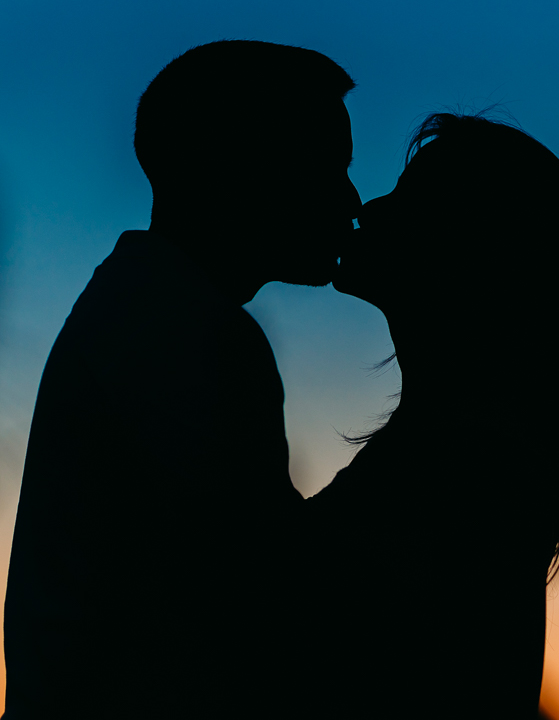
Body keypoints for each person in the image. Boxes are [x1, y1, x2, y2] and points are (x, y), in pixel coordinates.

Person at [3, 40, 359, 718]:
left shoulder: (146, 310)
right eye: (326, 166)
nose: (350, 198)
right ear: (243, 169)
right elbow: (264, 597)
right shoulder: (190, 333)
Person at [308, 113, 559, 719]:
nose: (368, 208)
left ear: (468, 252)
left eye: (411, 204)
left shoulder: (461, 475)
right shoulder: (471, 458)